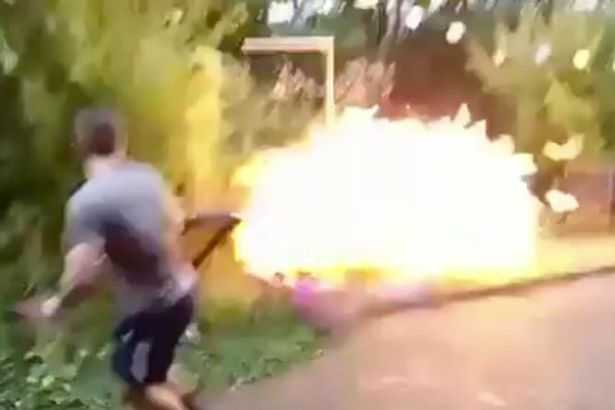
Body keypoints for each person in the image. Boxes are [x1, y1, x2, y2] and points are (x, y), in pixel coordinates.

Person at [31, 108, 234, 410]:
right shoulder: (148, 177)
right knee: (157, 367)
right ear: (121, 142)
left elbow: (82, 278)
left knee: (139, 388)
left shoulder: (86, 203)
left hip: (153, 308)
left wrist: (57, 305)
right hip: (184, 292)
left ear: (79, 147)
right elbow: (176, 223)